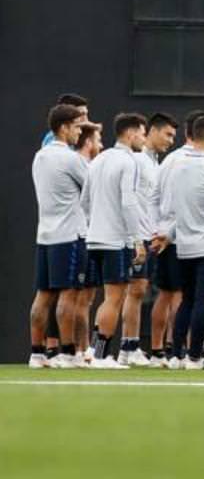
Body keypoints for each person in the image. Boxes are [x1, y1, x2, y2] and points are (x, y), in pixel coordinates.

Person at [154, 114, 204, 370]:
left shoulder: (176, 166)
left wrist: (169, 234)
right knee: (203, 301)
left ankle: (176, 355)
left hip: (184, 246)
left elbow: (177, 208)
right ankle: (195, 356)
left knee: (186, 299)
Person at [84, 113, 149, 368]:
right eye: (142, 134)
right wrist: (137, 240)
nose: (143, 139)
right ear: (131, 134)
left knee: (107, 298)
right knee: (115, 298)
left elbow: (84, 202)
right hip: (115, 242)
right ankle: (100, 355)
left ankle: (93, 351)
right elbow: (129, 203)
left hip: (95, 239)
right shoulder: (128, 161)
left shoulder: (98, 160)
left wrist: (96, 226)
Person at [29, 104, 89, 369]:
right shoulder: (71, 158)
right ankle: (67, 353)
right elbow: (91, 191)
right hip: (69, 236)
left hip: (46, 236)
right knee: (69, 295)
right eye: (77, 126)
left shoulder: (39, 156)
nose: (80, 132)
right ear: (64, 128)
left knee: (43, 295)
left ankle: (37, 353)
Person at [149, 110, 204, 367]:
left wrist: (156, 228)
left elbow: (154, 196)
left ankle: (158, 350)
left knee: (165, 293)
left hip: (164, 232)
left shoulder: (168, 160)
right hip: (181, 235)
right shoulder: (195, 161)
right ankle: (177, 350)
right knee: (180, 296)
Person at [119, 112, 176, 367]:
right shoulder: (137, 160)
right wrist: (136, 236)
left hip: (152, 237)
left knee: (141, 290)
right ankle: (127, 346)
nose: (171, 140)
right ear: (151, 131)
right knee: (135, 289)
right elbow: (129, 201)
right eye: (167, 134)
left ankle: (138, 348)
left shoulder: (156, 164)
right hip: (137, 237)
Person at [73, 121, 103, 363]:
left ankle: (80, 350)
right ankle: (81, 351)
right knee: (82, 299)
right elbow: (88, 202)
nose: (102, 146)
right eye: (99, 140)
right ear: (90, 142)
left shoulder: (89, 166)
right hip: (82, 236)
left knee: (86, 299)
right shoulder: (84, 166)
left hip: (85, 236)